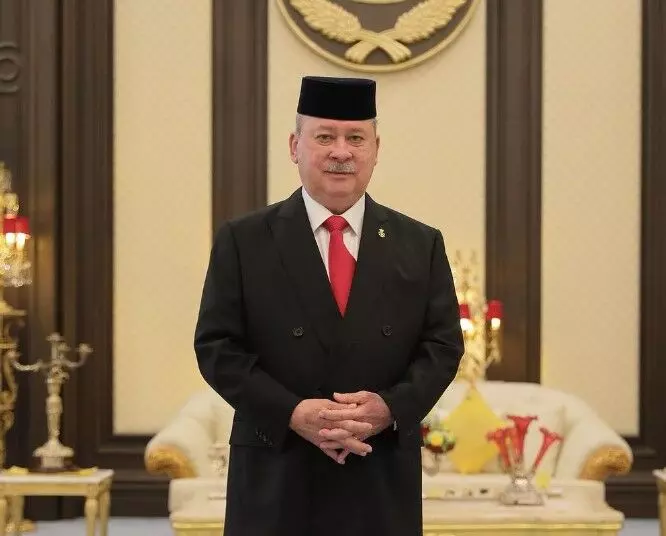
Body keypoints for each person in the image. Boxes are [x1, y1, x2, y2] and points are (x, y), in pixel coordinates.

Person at [194, 76, 464, 536]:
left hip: (379, 470)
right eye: (325, 137)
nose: (342, 152)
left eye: (356, 138)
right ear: (294, 146)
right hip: (277, 468)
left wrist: (389, 408)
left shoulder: (420, 243)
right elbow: (217, 348)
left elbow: (442, 347)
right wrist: (292, 413)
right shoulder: (244, 240)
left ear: (376, 149)